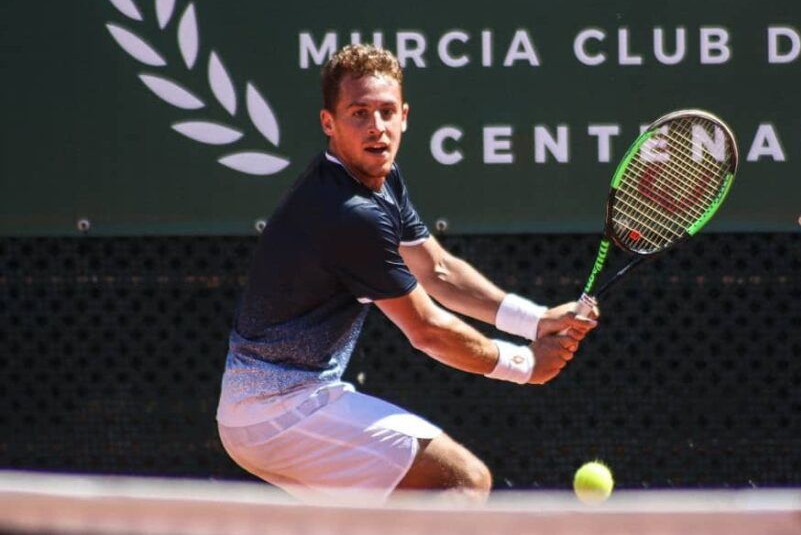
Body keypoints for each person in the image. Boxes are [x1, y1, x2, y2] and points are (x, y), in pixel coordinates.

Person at [216, 44, 598, 503]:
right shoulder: (349, 213)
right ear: (328, 123)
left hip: (274, 409)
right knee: (461, 480)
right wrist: (525, 364)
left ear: (405, 117)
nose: (376, 127)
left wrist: (535, 321)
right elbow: (428, 329)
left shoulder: (381, 178)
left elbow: (437, 270)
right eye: (359, 113)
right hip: (280, 412)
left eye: (386, 112)